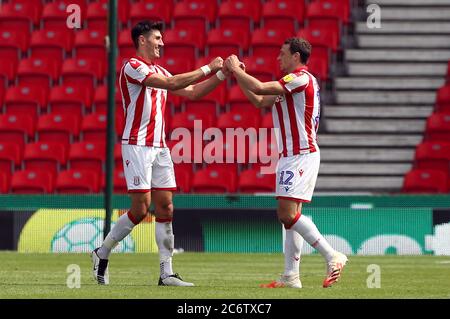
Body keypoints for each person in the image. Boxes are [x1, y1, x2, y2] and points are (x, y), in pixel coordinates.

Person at [91, 20, 229, 286]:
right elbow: (175, 82)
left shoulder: (160, 70)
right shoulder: (132, 67)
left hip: (160, 146)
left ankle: (166, 273)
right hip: (138, 144)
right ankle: (102, 252)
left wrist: (222, 74)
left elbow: (193, 92)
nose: (161, 43)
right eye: (157, 38)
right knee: (140, 208)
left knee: (166, 206)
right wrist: (208, 66)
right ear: (142, 40)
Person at [224, 38, 348, 288]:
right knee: (290, 215)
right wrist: (239, 76)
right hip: (290, 155)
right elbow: (260, 100)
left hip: (301, 154)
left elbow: (259, 88)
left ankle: (332, 255)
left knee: (287, 213)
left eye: (282, 54)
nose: (277, 58)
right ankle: (291, 276)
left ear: (296, 56)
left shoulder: (300, 79)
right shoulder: (288, 86)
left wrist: (235, 68)